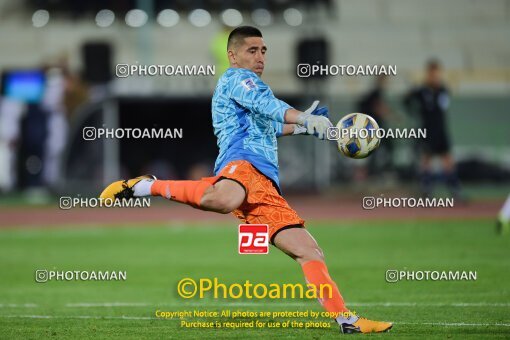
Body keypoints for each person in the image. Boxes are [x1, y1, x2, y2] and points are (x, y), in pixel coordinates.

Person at [100, 26, 392, 334]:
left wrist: (306, 127)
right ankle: (147, 185)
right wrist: (303, 118)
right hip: (242, 162)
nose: (260, 56)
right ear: (232, 55)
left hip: (265, 181)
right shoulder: (237, 79)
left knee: (308, 250)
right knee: (223, 198)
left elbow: (269, 125)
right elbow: (270, 107)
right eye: (252, 50)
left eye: (263, 50)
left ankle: (346, 319)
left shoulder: (253, 88)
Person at [403, 59, 462, 199]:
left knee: (448, 160)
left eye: (437, 74)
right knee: (426, 160)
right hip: (427, 130)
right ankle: (426, 190)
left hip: (440, 130)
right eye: (432, 74)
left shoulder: (442, 90)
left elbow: (442, 106)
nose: (435, 76)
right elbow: (406, 101)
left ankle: (455, 190)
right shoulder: (421, 90)